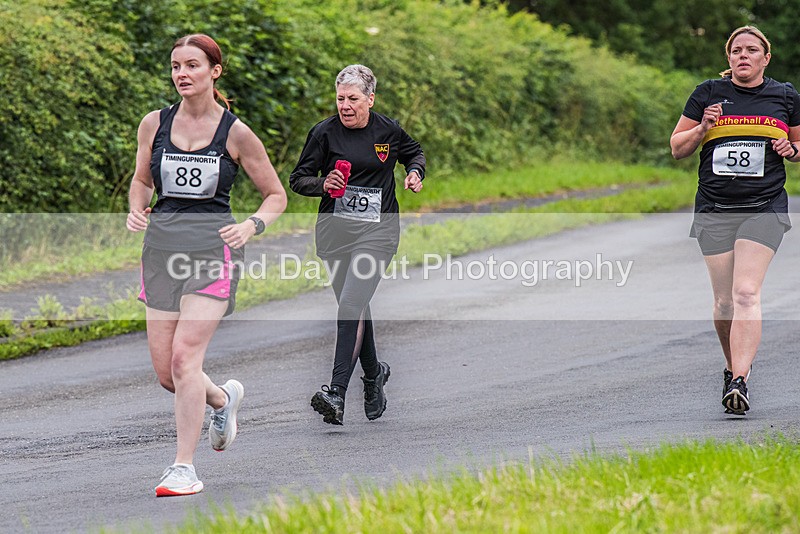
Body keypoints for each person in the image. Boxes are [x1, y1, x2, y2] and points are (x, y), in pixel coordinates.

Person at [126, 34, 286, 495]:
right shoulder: (153, 124)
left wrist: (252, 225)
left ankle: (183, 468)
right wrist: (136, 206)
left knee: (184, 358)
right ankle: (222, 398)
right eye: (176, 66)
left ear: (214, 71)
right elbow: (141, 180)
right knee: (167, 374)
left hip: (214, 253)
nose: (182, 74)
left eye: (192, 65)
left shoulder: (235, 133)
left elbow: (276, 195)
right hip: (160, 253)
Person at [670, 26, 800, 415]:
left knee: (746, 292)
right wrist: (702, 128)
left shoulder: (785, 97)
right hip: (714, 206)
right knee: (725, 300)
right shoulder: (708, 93)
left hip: (764, 206)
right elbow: (677, 148)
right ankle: (732, 368)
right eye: (736, 50)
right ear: (729, 58)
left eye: (752, 50)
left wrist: (790, 149)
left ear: (766, 58)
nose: (743, 55)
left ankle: (740, 380)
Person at [290, 64, 425, 425]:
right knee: (355, 306)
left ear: (370, 98)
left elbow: (415, 152)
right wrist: (324, 185)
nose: (345, 106)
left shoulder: (388, 130)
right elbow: (298, 179)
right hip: (335, 233)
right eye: (340, 98)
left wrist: (414, 172)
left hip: (378, 231)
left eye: (352, 98)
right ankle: (373, 374)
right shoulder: (323, 133)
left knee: (351, 301)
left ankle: (335, 391)